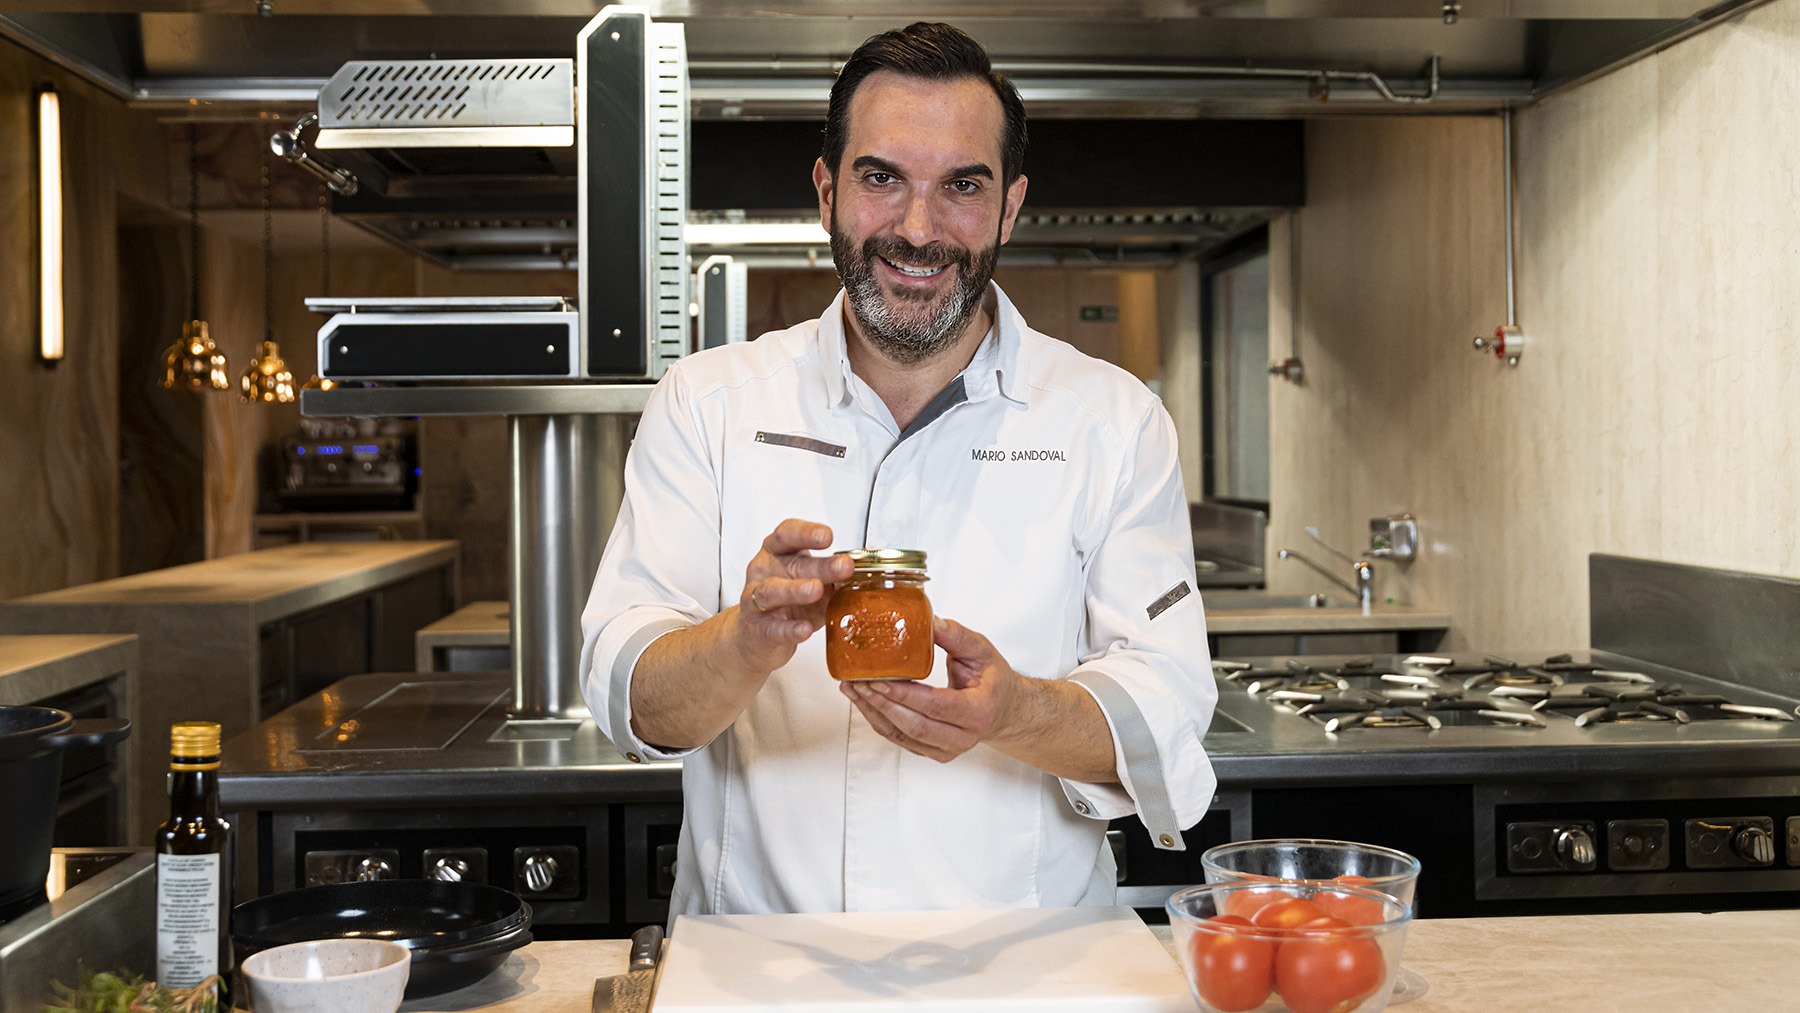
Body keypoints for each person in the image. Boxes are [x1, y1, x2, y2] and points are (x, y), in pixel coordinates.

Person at [579, 21, 1217, 916]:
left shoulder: (1114, 420)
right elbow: (630, 693)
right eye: (882, 178)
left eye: (962, 185)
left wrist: (1015, 712)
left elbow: (1171, 705)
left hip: (1025, 969)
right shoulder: (709, 402)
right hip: (763, 972)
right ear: (827, 188)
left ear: (1011, 206)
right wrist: (743, 640)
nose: (918, 229)